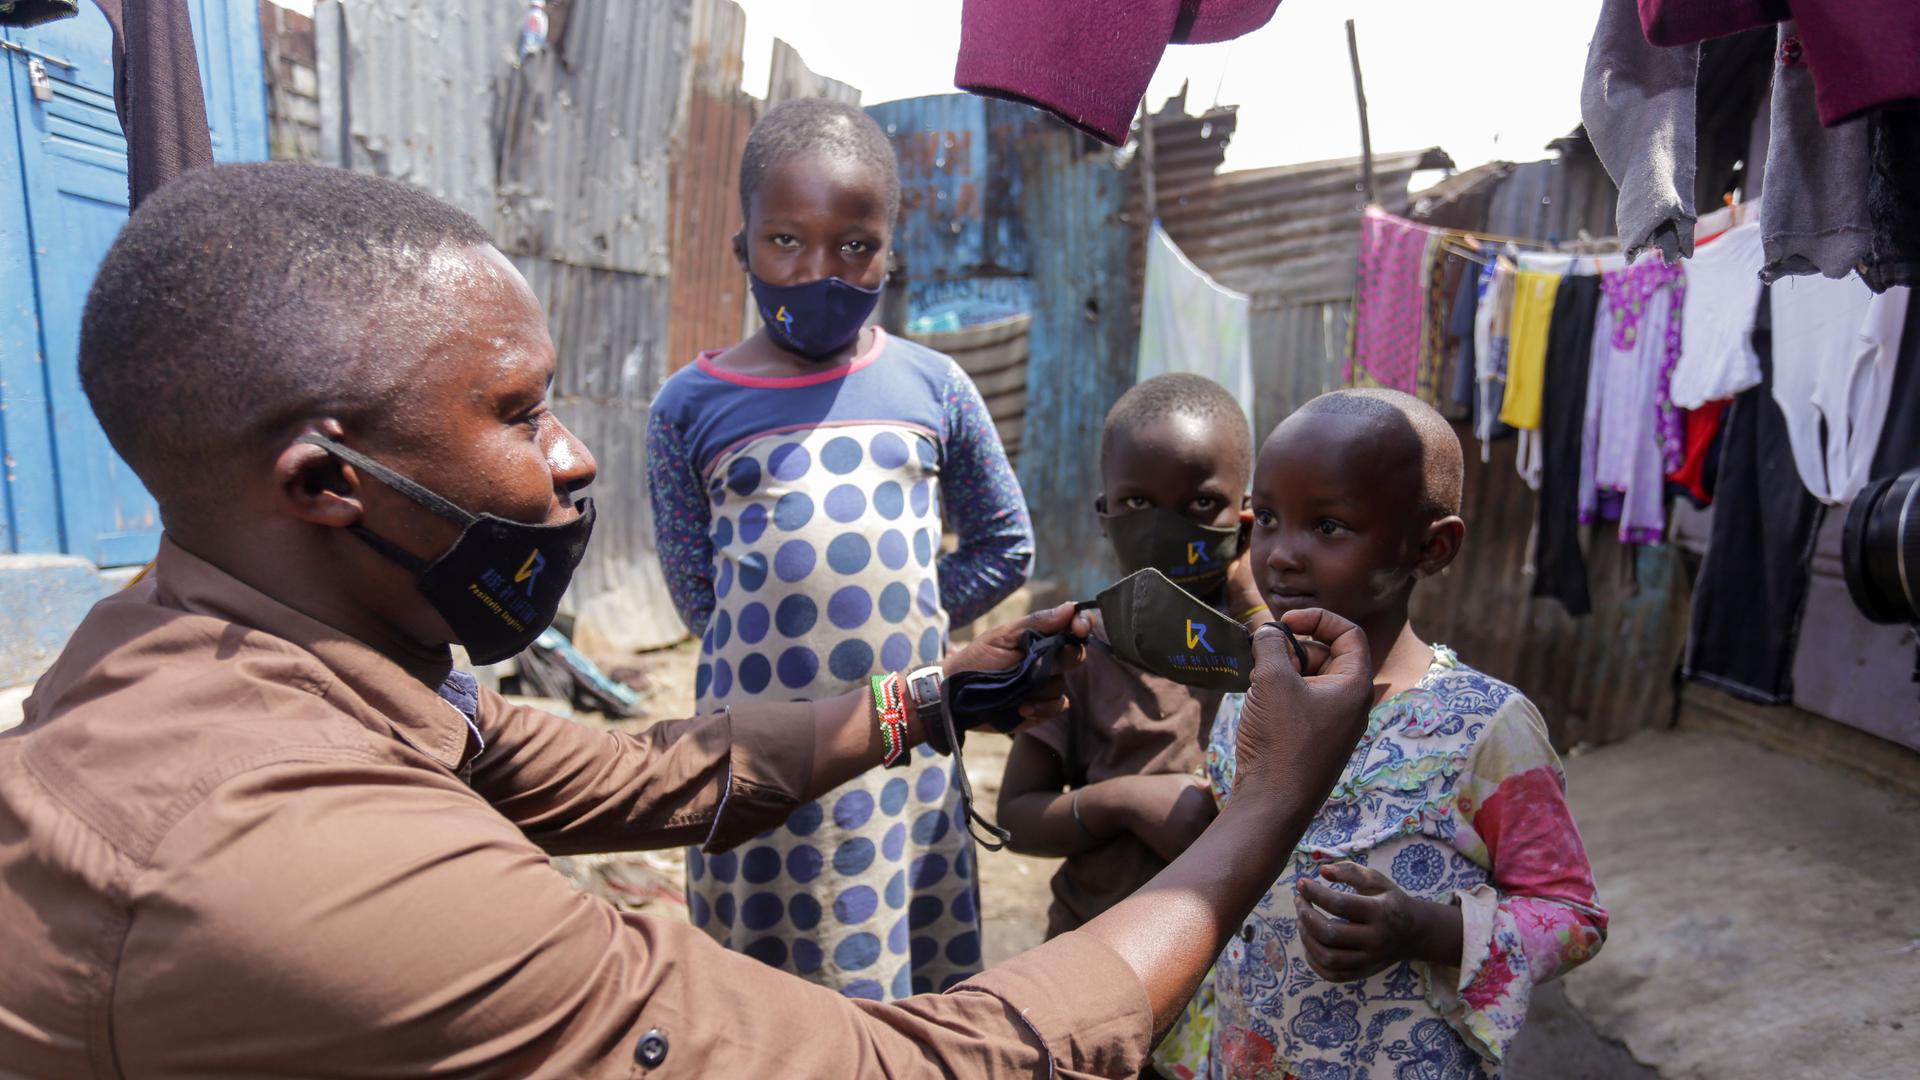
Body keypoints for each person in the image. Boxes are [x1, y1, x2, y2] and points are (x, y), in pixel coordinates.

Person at [0, 161, 1380, 1077]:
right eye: (518, 412)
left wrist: (931, 699)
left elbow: (659, 767)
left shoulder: (234, 655)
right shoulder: (305, 868)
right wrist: (1265, 809)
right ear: (326, 482)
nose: (572, 454)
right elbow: (901, 1068)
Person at [646, 98, 1033, 999]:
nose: (820, 269)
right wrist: (786, 655)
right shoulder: (688, 407)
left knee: (894, 986)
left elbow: (1004, 543)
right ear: (741, 242)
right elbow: (701, 598)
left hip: (898, 756)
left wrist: (912, 626)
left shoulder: (934, 386)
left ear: (892, 249)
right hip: (755, 753)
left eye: (855, 245)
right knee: (762, 993)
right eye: (786, 240)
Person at [1198, 388, 1609, 1079]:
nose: (1282, 556)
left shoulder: (1485, 727)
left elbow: (1571, 916)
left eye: (1328, 526)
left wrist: (1424, 929)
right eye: (1266, 518)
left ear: (1432, 547)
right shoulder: (1252, 698)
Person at [997, 373, 1256, 1080]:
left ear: (1245, 522)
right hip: (1101, 977)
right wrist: (1125, 802)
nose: (1167, 527)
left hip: (1241, 988)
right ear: (1105, 512)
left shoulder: (1281, 660)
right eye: (1140, 503)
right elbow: (1015, 817)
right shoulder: (1080, 652)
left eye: (1201, 504)